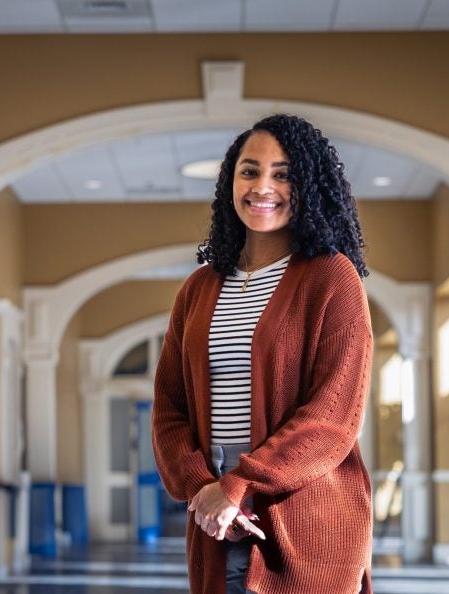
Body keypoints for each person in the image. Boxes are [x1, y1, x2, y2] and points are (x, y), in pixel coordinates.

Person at [152, 113, 375, 594]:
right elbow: (169, 407)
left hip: (308, 519)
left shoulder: (332, 278)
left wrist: (240, 485)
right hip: (214, 516)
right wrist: (203, 489)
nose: (263, 186)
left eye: (283, 174)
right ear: (230, 181)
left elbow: (332, 417)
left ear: (308, 186)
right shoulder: (199, 288)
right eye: (250, 171)